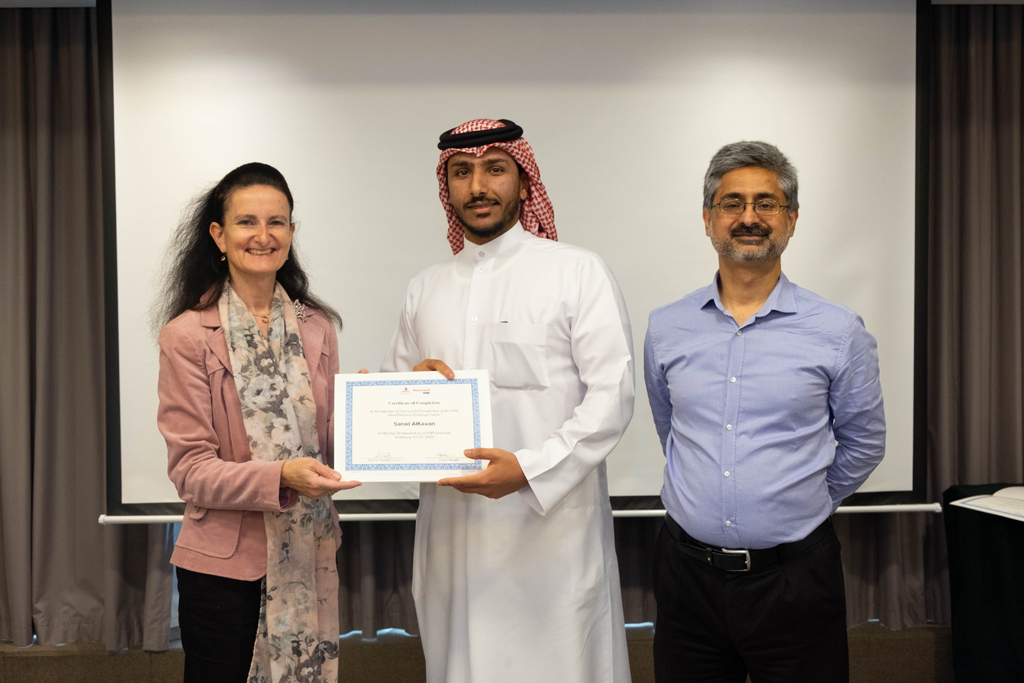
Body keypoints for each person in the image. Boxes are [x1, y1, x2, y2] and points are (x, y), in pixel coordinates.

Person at [381, 119, 635, 683]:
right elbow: (395, 407)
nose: (478, 187)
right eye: (461, 172)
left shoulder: (576, 271)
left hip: (549, 535)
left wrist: (528, 470)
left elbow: (612, 396)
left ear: (524, 183)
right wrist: (409, 393)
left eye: (495, 169)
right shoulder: (425, 288)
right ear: (446, 186)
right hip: (453, 537)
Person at [644, 141, 886, 683]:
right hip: (686, 579)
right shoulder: (666, 326)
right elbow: (672, 428)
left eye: (766, 203)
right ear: (708, 218)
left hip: (796, 580)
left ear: (791, 219)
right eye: (731, 203)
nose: (748, 217)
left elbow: (865, 442)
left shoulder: (838, 330)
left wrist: (804, 499)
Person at [156, 162, 360, 683]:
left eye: (277, 222)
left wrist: (383, 409)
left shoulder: (317, 327)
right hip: (224, 570)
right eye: (246, 222)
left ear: (291, 232)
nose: (263, 236)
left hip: (309, 552)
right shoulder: (187, 335)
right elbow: (191, 472)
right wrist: (282, 477)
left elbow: (329, 443)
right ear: (218, 235)